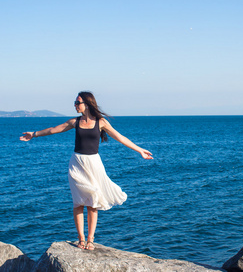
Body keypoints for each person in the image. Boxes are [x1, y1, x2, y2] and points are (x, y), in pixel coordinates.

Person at [20, 91, 153, 250]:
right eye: (75, 103)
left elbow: (120, 137)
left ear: (88, 104)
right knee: (78, 203)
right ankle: (81, 239)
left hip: (93, 164)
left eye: (78, 102)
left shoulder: (101, 122)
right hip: (76, 164)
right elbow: (54, 129)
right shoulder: (75, 122)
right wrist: (33, 134)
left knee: (92, 203)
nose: (75, 105)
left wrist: (140, 150)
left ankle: (90, 239)